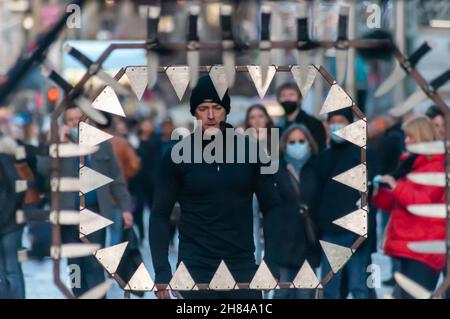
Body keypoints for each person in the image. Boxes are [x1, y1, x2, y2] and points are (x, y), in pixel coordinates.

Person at [149, 75, 281, 299]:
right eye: (203, 108)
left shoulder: (252, 151)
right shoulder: (176, 155)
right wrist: (162, 272)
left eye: (217, 107)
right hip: (194, 267)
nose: (210, 115)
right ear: (194, 112)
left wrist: (272, 263)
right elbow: (159, 214)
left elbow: (273, 209)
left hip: (241, 265)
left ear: (226, 110)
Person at [37, 105, 133, 297]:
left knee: (94, 264)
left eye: (80, 119)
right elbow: (42, 171)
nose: (76, 123)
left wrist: (125, 208)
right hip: (68, 216)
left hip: (95, 212)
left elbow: (117, 179)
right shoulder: (59, 146)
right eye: (71, 120)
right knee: (75, 267)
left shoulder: (103, 144)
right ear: (65, 124)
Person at [372, 116, 445, 299]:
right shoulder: (411, 164)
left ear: (422, 137)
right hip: (409, 246)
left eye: (410, 137)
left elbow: (421, 201)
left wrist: (397, 187)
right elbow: (390, 204)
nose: (406, 141)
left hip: (424, 248)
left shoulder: (436, 166)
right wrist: (381, 189)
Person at [316, 108, 375, 299]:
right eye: (333, 121)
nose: (336, 126)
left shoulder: (363, 155)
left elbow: (372, 190)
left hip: (357, 233)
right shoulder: (323, 158)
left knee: (359, 287)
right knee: (331, 289)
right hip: (331, 232)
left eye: (341, 121)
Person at [267, 124, 321, 299]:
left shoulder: (317, 167)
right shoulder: (276, 168)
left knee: (305, 294)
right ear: (284, 144)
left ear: (309, 143)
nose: (296, 145)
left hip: (308, 242)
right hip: (282, 242)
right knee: (282, 293)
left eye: (301, 141)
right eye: (292, 141)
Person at [96, 112, 140, 245]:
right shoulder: (121, 142)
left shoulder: (90, 143)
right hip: (116, 197)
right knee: (115, 235)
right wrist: (125, 174)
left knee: (95, 237)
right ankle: (111, 263)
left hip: (95, 198)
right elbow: (135, 165)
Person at [244, 104, 275, 265]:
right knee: (252, 230)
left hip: (271, 191)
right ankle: (254, 265)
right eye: (252, 117)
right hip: (249, 193)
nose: (256, 121)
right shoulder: (241, 142)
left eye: (260, 116)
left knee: (273, 230)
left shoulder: (275, 140)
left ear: (267, 118)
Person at [0, 135, 25, 299]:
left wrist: (5, 215)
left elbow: (18, 188)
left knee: (10, 269)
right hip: (7, 222)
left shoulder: (3, 159)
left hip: (8, 224)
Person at [130, 117, 162, 243]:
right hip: (138, 180)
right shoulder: (134, 139)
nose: (147, 126)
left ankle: (158, 235)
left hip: (154, 180)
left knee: (155, 209)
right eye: (145, 124)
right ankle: (141, 234)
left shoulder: (156, 139)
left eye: (149, 124)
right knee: (138, 209)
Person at [276, 82, 327, 151]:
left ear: (300, 99)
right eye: (283, 96)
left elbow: (319, 151)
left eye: (291, 95)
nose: (287, 99)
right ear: (279, 100)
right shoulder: (277, 126)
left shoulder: (314, 124)